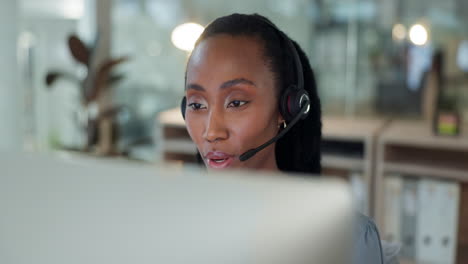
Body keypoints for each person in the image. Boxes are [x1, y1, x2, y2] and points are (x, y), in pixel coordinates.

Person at [181, 13, 386, 263]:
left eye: (236, 102)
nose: (211, 132)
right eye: (197, 104)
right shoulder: (170, 223)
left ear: (287, 109)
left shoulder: (345, 239)